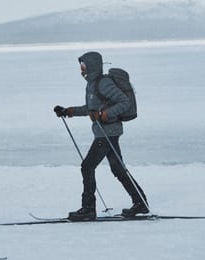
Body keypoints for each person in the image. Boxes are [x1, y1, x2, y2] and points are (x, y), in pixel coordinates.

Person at [53, 51, 149, 220]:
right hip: (104, 133)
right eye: (80, 66)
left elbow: (123, 102)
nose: (81, 69)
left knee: (87, 167)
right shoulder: (91, 85)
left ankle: (88, 209)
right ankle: (140, 203)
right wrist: (68, 111)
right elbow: (91, 109)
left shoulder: (103, 83)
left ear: (92, 66)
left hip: (108, 133)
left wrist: (106, 115)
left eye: (84, 66)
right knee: (118, 169)